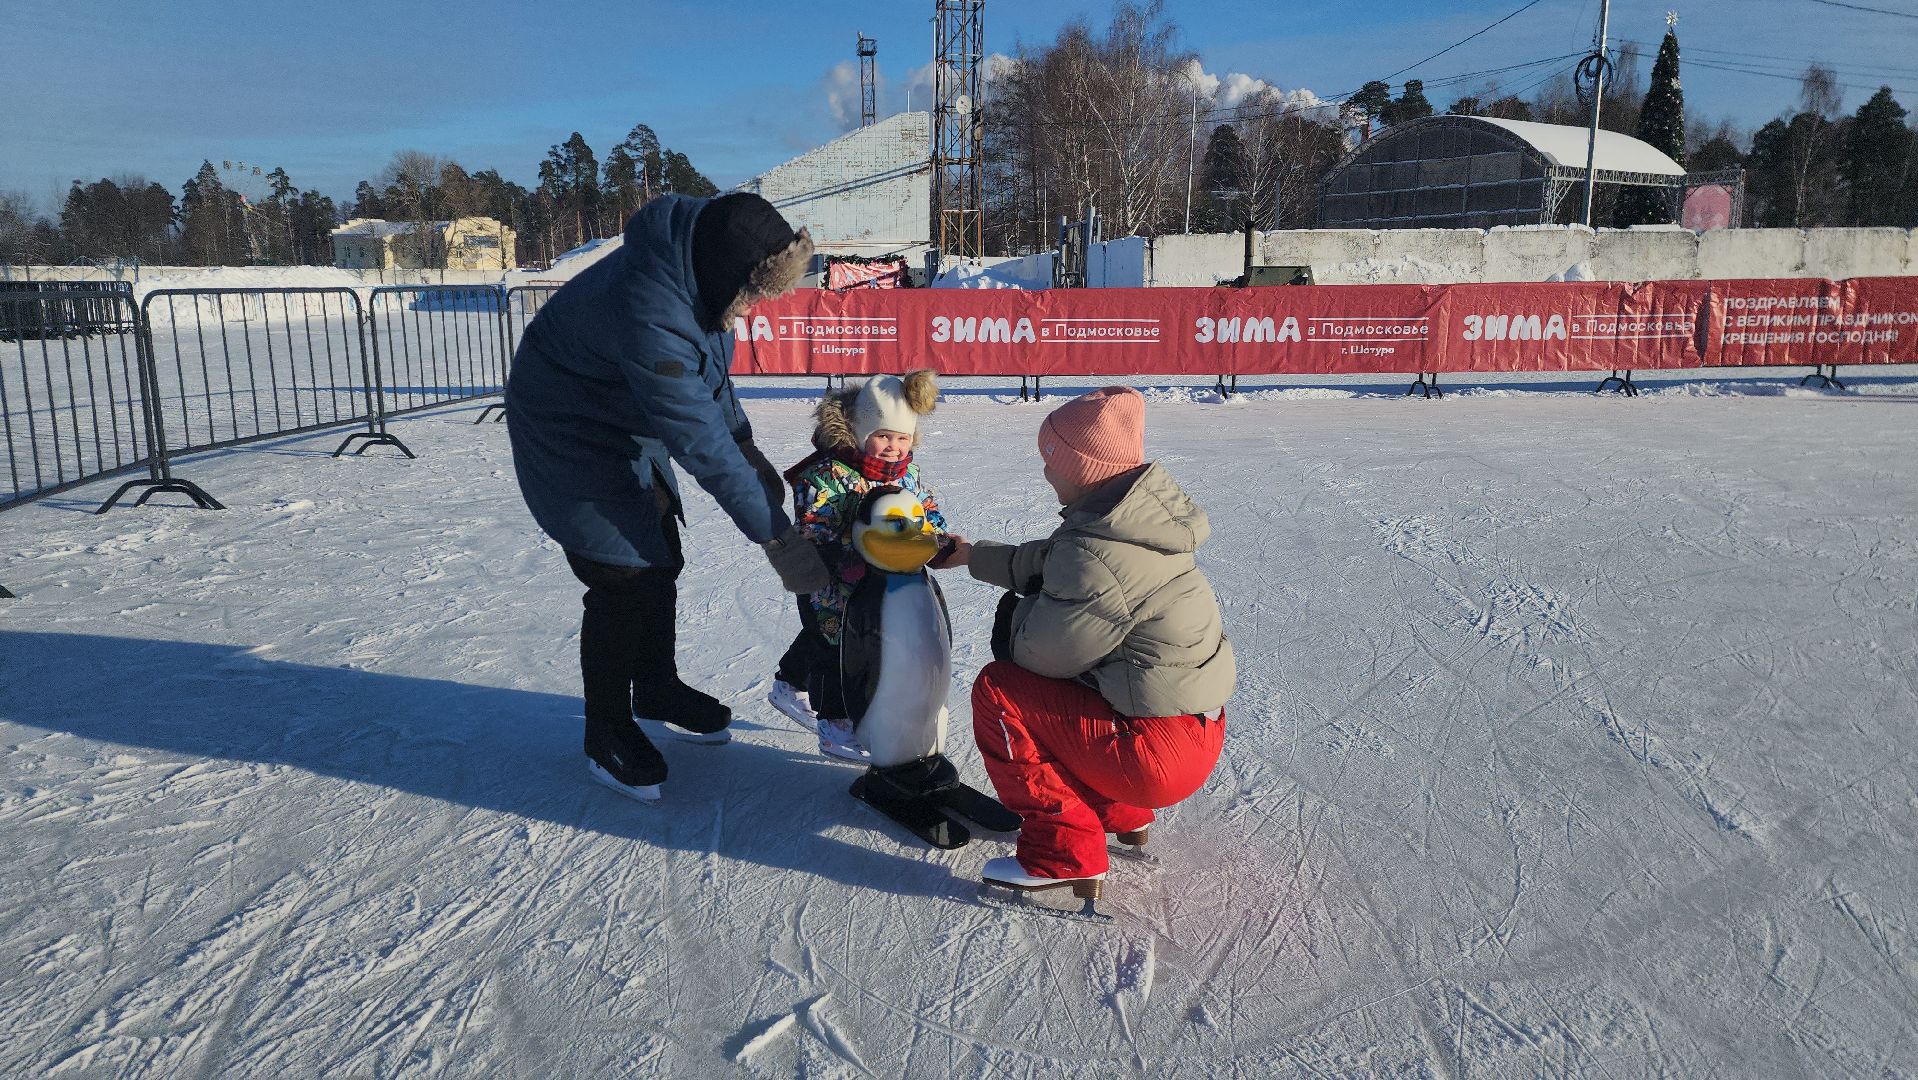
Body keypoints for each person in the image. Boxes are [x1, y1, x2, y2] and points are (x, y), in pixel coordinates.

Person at [506, 192, 830, 803]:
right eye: (754, 292)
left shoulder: (695, 278)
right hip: (566, 424)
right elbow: (698, 443)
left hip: (617, 410)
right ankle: (606, 731)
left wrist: (747, 443)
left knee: (662, 551)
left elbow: (714, 381)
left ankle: (654, 685)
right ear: (727, 272)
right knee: (621, 572)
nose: (757, 306)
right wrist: (778, 539)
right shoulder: (653, 312)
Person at [949, 386, 1234, 897]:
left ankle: (1063, 851)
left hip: (1155, 756)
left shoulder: (1095, 554)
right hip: (1194, 729)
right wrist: (971, 556)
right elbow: (1045, 564)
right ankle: (1119, 811)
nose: (1045, 473)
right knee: (1086, 687)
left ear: (1079, 469)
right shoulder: (1131, 525)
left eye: (1050, 462)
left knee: (1001, 690)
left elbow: (1043, 655)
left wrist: (1011, 619)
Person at [766, 370, 962, 759]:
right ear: (859, 431)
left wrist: (938, 542)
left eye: (902, 438)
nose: (893, 447)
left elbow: (925, 512)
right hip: (831, 580)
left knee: (850, 637)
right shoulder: (825, 474)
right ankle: (834, 723)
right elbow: (813, 530)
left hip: (887, 576)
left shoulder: (908, 472)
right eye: (883, 436)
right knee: (833, 644)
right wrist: (845, 560)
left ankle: (788, 683)